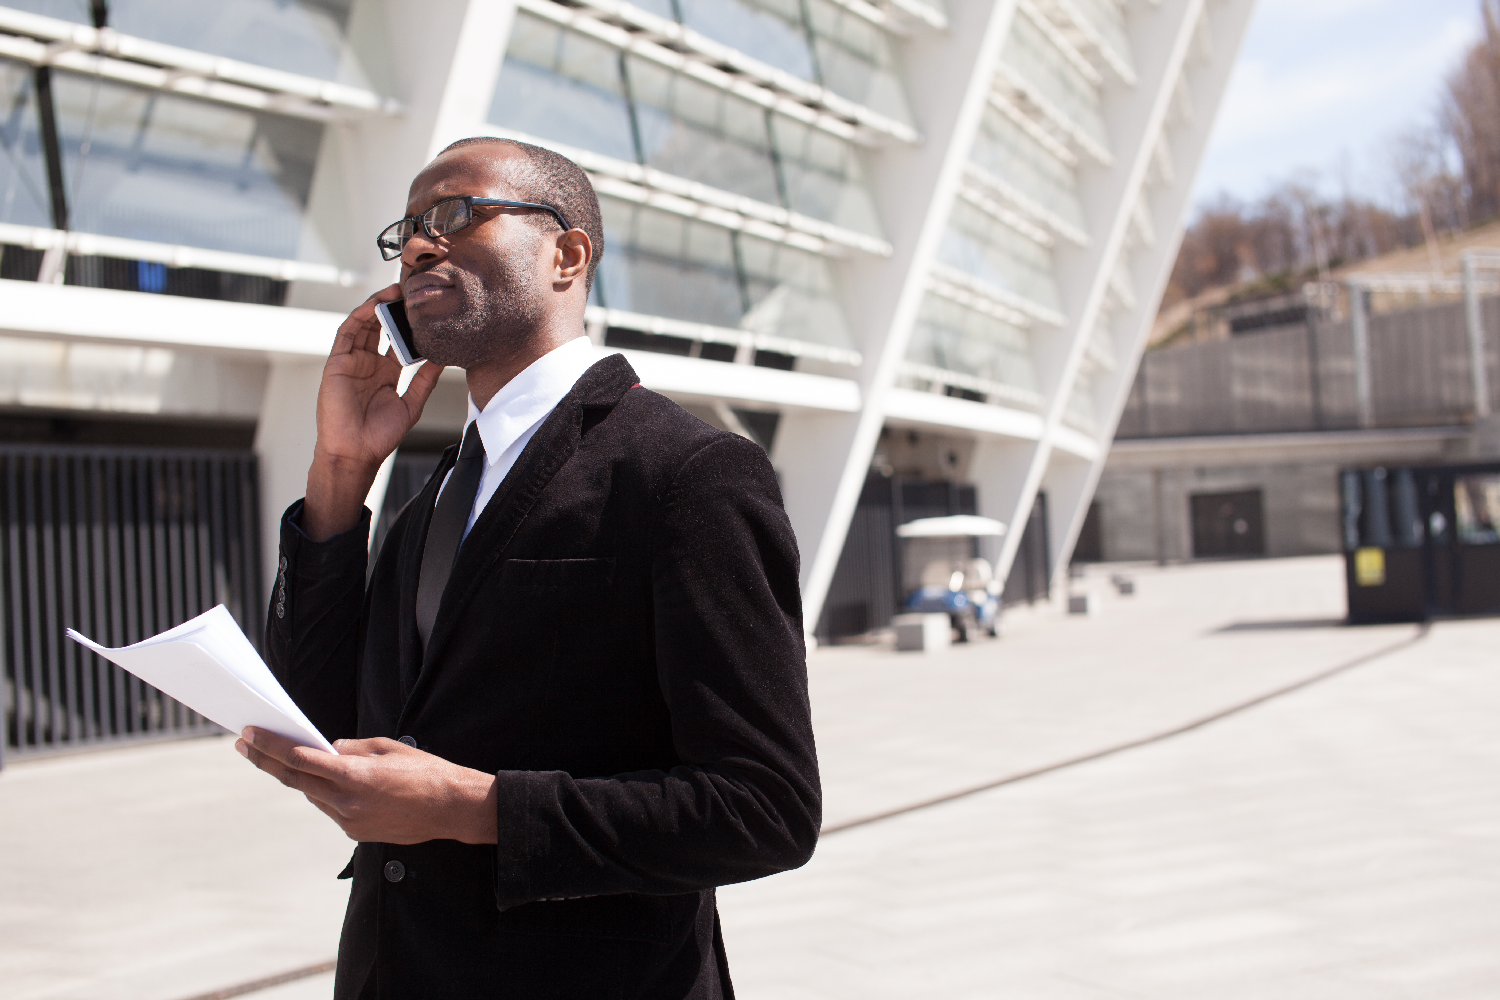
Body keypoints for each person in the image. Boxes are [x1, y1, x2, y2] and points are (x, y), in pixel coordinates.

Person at [234, 137, 821, 999]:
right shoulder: (434, 496)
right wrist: (339, 472)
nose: (423, 244)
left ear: (568, 253)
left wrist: (475, 810)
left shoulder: (685, 471)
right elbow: (323, 715)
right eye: (408, 233)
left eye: (456, 215)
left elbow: (764, 808)